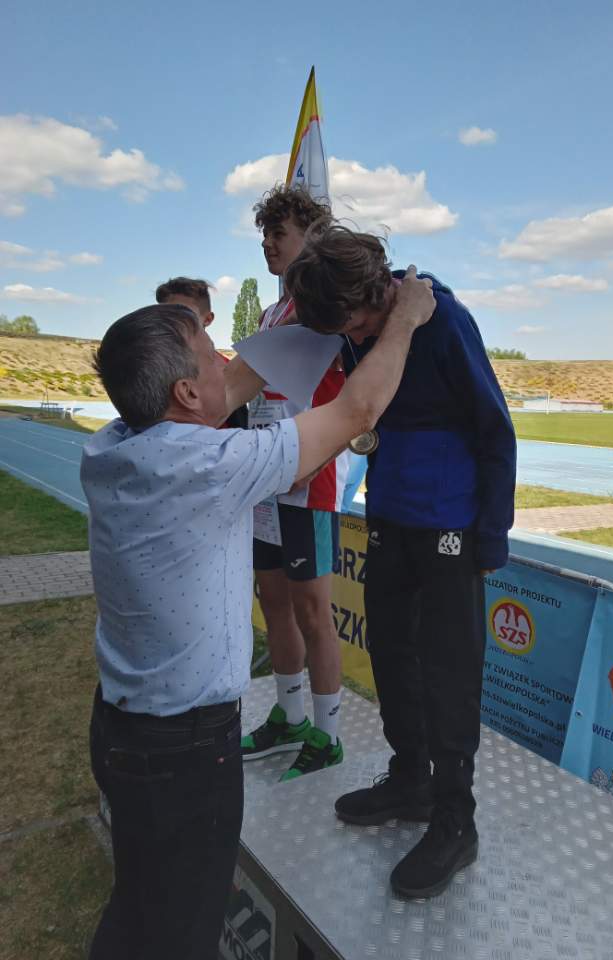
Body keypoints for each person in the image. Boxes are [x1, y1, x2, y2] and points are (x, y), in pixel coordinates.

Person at [82, 272, 434, 958]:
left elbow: (235, 385)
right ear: (186, 393)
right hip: (183, 753)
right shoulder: (211, 465)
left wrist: (305, 312)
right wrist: (404, 320)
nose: (226, 363)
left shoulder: (113, 443)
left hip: (124, 729)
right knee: (181, 930)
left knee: (143, 903)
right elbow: (357, 410)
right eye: (210, 355)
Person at [285, 222, 517, 900]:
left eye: (356, 325)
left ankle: (456, 820)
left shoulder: (444, 322)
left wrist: (491, 537)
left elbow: (495, 429)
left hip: (450, 526)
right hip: (388, 517)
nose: (353, 339)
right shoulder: (355, 327)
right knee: (390, 654)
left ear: (378, 291)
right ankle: (411, 780)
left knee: (448, 674)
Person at [240, 185, 349, 781]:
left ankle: (327, 736)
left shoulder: (325, 309)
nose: (267, 244)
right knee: (273, 601)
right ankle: (289, 716)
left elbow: (345, 403)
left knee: (313, 610)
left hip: (310, 482)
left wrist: (310, 459)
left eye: (278, 233)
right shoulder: (270, 314)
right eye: (264, 235)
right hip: (267, 478)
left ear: (310, 237)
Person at [156, 276, 247, 428]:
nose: (172, 322)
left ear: (208, 319)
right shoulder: (152, 367)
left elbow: (240, 424)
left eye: (183, 315)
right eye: (164, 315)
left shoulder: (226, 368)